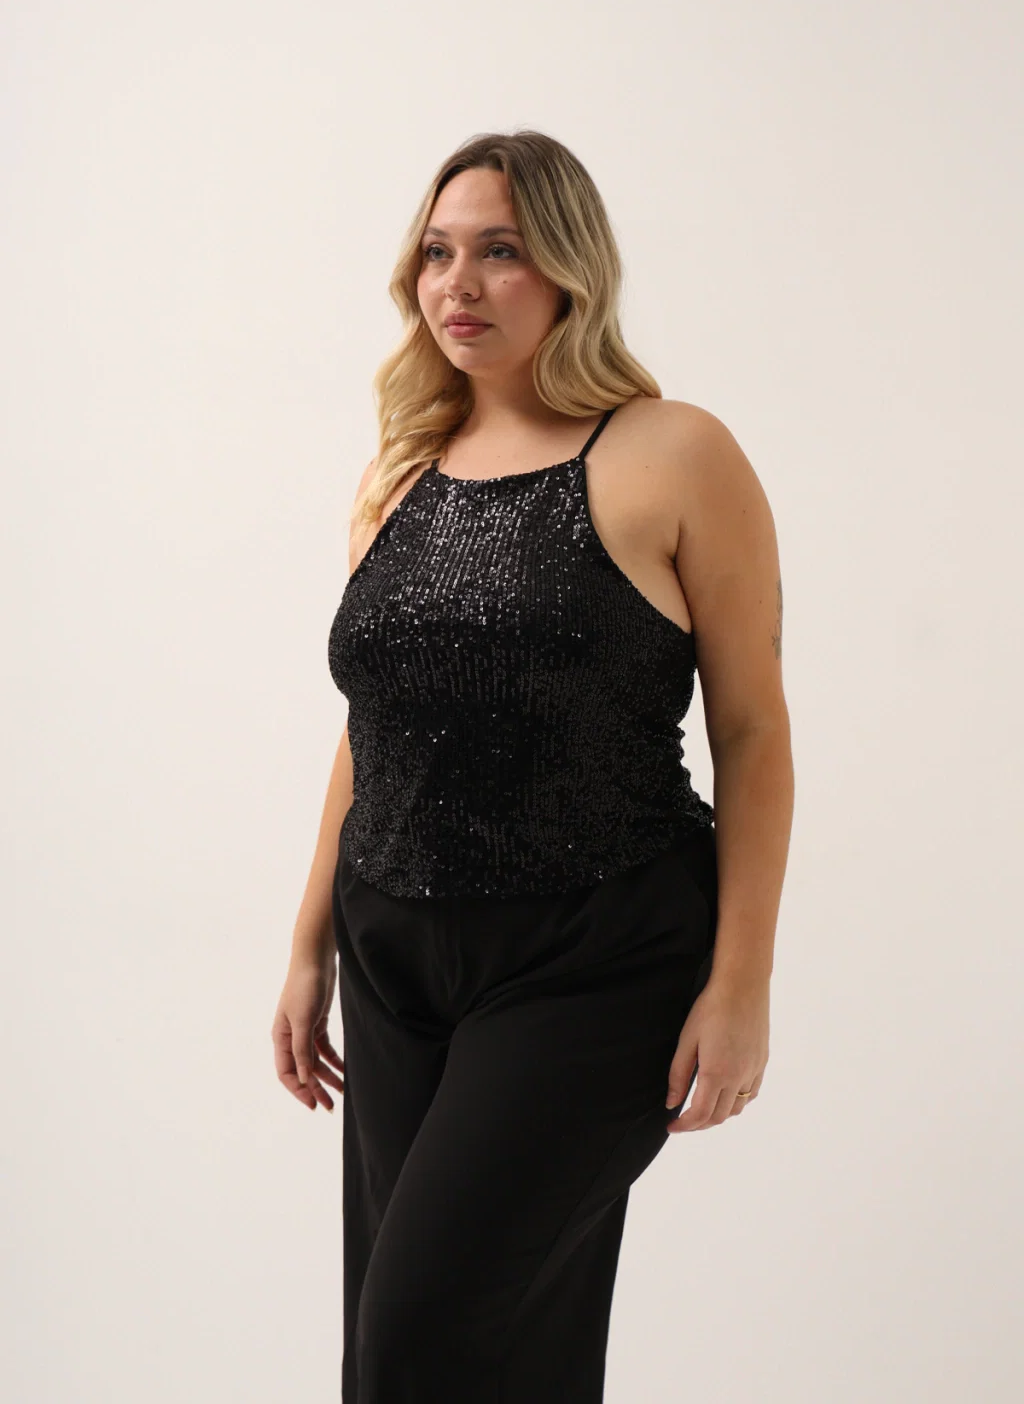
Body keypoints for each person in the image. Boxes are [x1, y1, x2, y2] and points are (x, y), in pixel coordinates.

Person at [272, 130, 794, 1403]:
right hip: (393, 954)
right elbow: (377, 723)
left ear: (569, 268)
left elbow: (751, 732)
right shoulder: (398, 471)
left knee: (419, 1340)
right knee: (480, 1355)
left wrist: (740, 986)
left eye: (498, 251)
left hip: (595, 953)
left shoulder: (671, 452)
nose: (458, 283)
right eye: (436, 253)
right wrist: (308, 943)